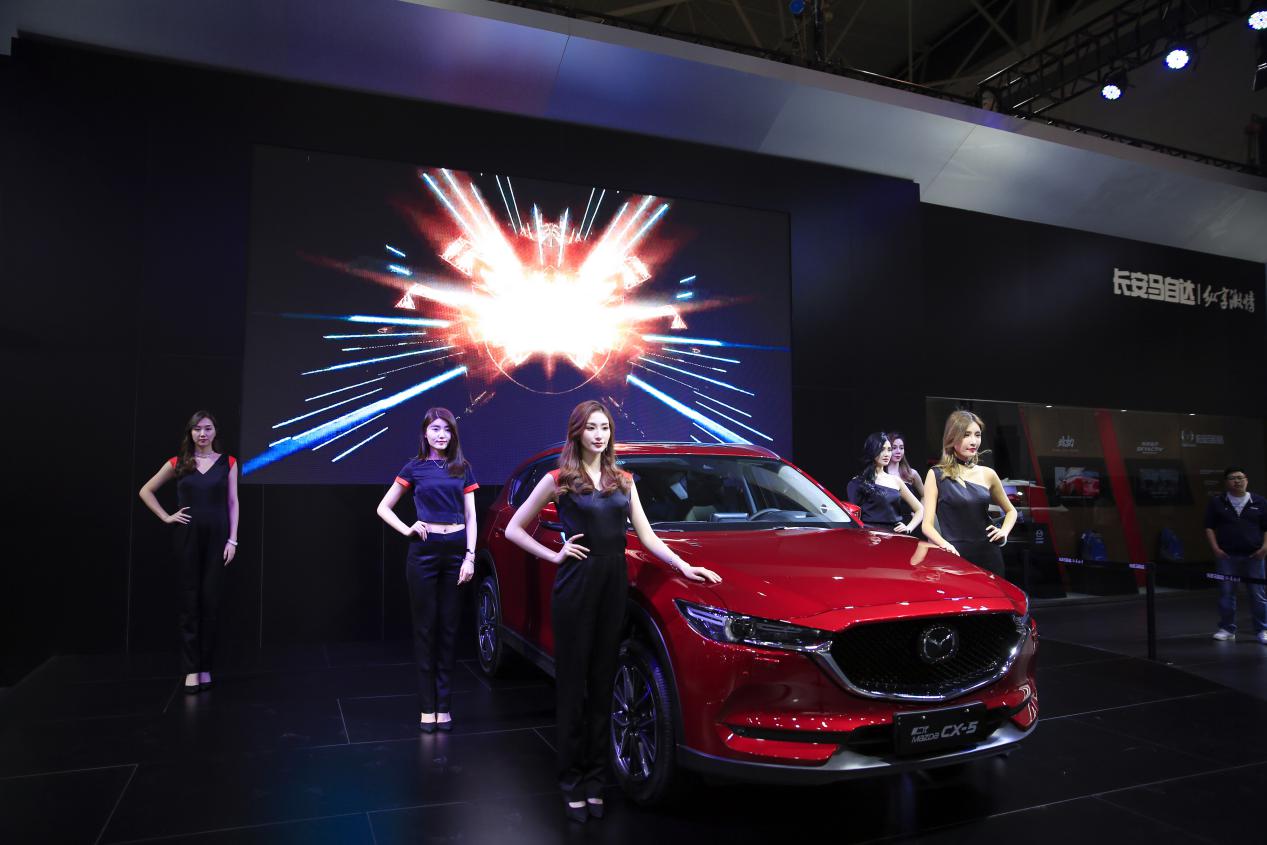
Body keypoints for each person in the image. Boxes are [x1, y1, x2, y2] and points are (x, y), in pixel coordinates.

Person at [505, 400, 721, 823]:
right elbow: (514, 528)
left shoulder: (623, 481)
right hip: (574, 588)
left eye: (604, 427)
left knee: (604, 686)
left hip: (612, 588)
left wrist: (683, 565)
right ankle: (571, 781)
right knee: (572, 690)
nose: (599, 435)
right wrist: (554, 555)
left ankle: (596, 779)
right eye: (591, 427)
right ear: (577, 432)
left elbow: (648, 536)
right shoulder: (558, 480)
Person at [376, 408, 479, 732]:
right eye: (435, 429)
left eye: (447, 429)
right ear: (425, 433)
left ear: (453, 434)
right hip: (424, 552)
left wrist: (470, 557)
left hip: (456, 551)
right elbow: (383, 507)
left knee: (449, 629)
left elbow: (471, 516)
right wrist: (407, 529)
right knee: (425, 630)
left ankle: (444, 706)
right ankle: (427, 707)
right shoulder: (414, 467)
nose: (441, 435)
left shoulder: (463, 467)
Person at [138, 410, 239, 694]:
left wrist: (232, 540)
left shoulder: (228, 463)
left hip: (218, 538)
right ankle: (191, 669)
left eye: (207, 428)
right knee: (189, 603)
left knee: (211, 603)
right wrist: (166, 516)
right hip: (187, 538)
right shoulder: (178, 462)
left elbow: (233, 502)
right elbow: (146, 490)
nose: (202, 433)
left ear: (215, 431)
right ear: (190, 432)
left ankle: (206, 666)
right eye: (197, 429)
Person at [920, 410, 1016, 577]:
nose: (974, 441)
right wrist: (945, 545)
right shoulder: (936, 474)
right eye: (966, 435)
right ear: (952, 438)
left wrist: (1004, 532)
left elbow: (1011, 511)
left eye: (977, 435)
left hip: (989, 556)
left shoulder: (988, 474)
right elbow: (927, 526)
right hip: (954, 556)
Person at [1204, 467, 1267, 643]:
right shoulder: (1217, 502)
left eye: (1240, 477)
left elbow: (1266, 527)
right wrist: (1215, 549)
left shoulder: (1260, 501)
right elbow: (1209, 527)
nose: (1237, 481)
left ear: (1246, 480)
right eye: (1233, 478)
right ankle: (1227, 628)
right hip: (1227, 555)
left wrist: (1265, 548)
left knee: (1258, 594)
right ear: (1226, 482)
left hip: (1254, 555)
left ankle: (1262, 629)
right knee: (1226, 593)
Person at [846, 432, 923, 533]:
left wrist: (908, 528)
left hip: (895, 536)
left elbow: (920, 509)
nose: (887, 454)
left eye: (889, 450)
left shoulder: (896, 481)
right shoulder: (858, 482)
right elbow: (852, 516)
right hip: (869, 536)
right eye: (882, 449)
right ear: (872, 450)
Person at [884, 431, 925, 501]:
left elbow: (925, 495)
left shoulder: (911, 473)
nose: (898, 451)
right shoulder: (880, 474)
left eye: (901, 448)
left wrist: (920, 508)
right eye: (894, 448)